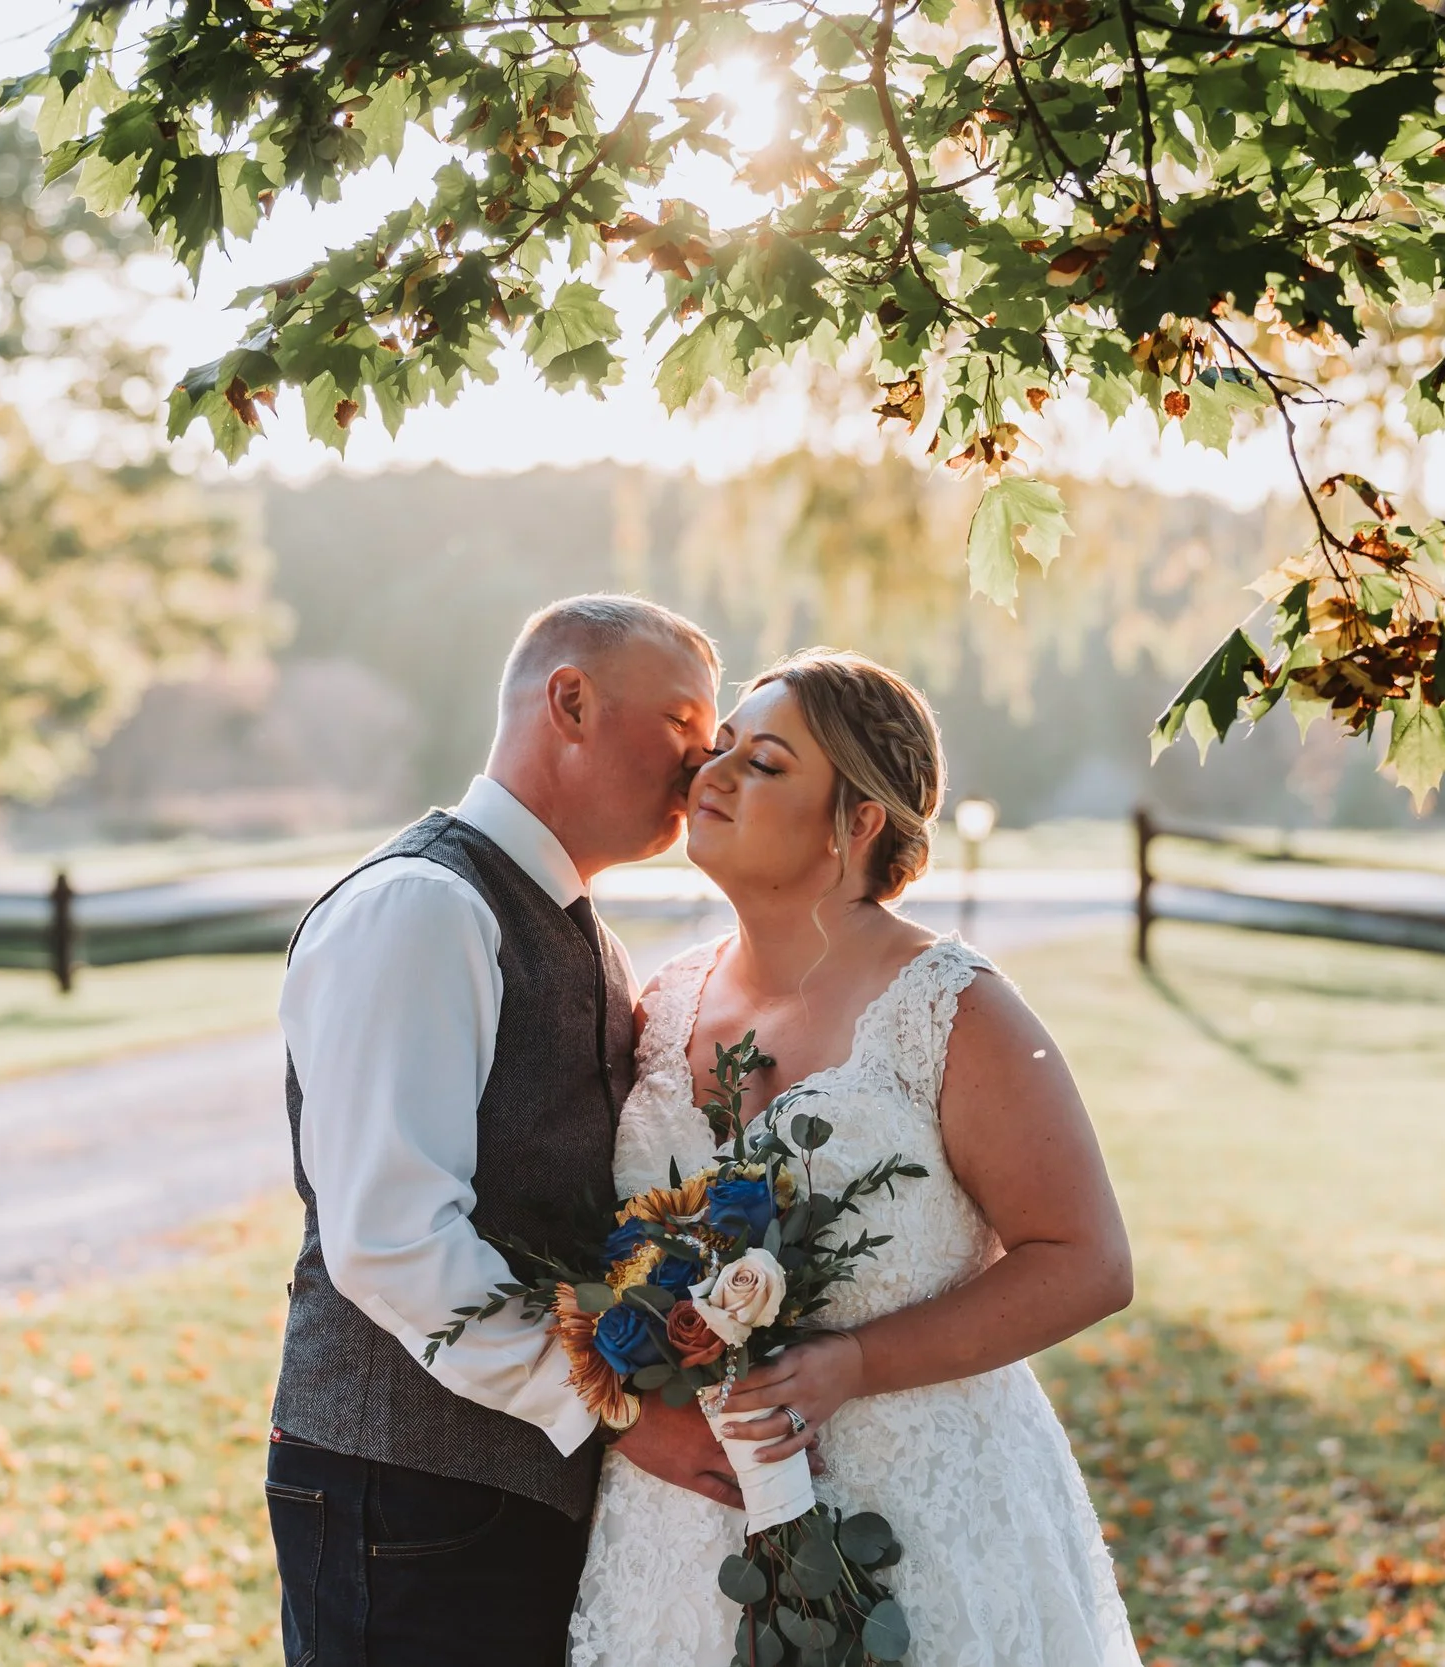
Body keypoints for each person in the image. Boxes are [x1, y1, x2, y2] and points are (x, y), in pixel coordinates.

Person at [570, 647, 1142, 1666]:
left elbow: (1086, 1259)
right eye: (726, 747)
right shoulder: (659, 1005)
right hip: (686, 1535)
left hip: (920, 1512)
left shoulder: (952, 1008)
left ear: (859, 820)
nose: (717, 774)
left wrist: (858, 1361)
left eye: (769, 762)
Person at [266, 595, 742, 1667]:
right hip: (407, 1493)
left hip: (496, 1485)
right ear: (568, 699)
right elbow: (393, 1239)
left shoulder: (576, 925)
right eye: (679, 720)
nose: (702, 757)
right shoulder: (424, 907)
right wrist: (616, 1406)